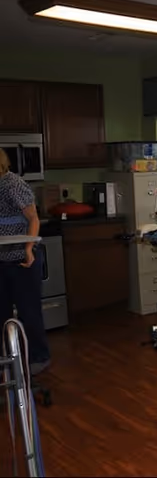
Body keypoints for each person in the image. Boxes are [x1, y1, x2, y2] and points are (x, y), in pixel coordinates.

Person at [0, 148, 50, 374]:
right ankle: (6, 360)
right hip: (1, 261)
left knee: (28, 312)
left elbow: (33, 218)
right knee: (2, 314)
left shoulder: (13, 184)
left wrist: (29, 248)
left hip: (21, 259)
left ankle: (39, 357)